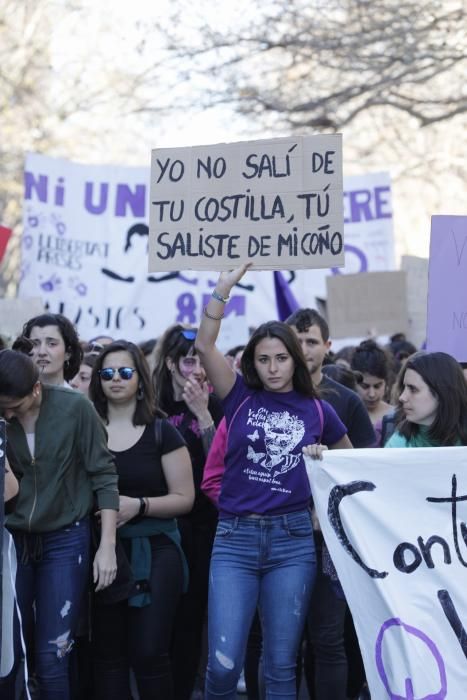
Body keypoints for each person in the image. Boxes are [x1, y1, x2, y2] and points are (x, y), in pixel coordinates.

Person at [195, 264, 352, 700]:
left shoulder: (318, 409)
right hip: (234, 540)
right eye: (263, 359)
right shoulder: (239, 396)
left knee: (281, 667)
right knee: (223, 668)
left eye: (281, 357)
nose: (273, 367)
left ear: (295, 359)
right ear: (252, 363)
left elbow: (351, 466)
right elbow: (204, 344)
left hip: (293, 541)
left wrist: (322, 465)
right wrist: (222, 288)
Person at [0, 349, 118, 700]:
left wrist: (107, 546)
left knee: (55, 653)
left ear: (35, 390)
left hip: (66, 539)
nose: (8, 413)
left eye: (14, 406)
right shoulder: (2, 420)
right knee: (11, 649)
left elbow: (104, 475)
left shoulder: (74, 408)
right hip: (13, 538)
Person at [89, 339, 194, 699]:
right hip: (100, 551)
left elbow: (185, 499)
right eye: (107, 373)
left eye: (124, 372)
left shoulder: (162, 431)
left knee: (149, 653)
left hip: (157, 548)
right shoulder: (86, 430)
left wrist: (140, 505)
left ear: (140, 378)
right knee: (108, 656)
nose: (115, 379)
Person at [285, 308, 375, 700]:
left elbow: (365, 470)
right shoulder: (265, 398)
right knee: (282, 642)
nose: (303, 349)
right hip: (280, 533)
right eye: (296, 341)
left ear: (327, 346)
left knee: (327, 639)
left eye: (311, 341)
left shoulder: (347, 403)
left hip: (329, 542)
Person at [152, 325, 223, 700]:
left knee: (193, 613)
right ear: (171, 363)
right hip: (164, 523)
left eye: (202, 360)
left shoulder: (220, 403)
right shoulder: (156, 407)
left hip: (206, 524)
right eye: (189, 360)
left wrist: (204, 414)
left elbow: (223, 466)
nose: (197, 369)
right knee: (160, 616)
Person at [386, 351, 467, 448]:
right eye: (404, 387)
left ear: (442, 392)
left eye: (413, 389)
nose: (402, 397)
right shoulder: (397, 445)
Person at [20, 312, 83, 387]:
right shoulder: (11, 396)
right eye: (35, 344)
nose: (42, 352)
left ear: (68, 352)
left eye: (52, 344)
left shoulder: (76, 399)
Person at [351, 339, 394, 446]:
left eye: (377, 386)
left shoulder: (396, 416)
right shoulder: (347, 416)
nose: (372, 394)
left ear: (386, 383)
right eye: (365, 386)